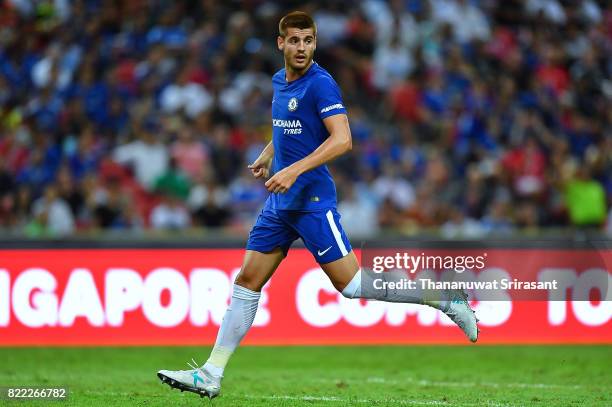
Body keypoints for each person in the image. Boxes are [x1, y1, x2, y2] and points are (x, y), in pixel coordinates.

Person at [157, 11, 478, 399]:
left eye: (308, 41)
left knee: (353, 285)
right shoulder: (279, 81)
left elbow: (342, 140)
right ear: (281, 43)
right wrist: (268, 153)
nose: (302, 48)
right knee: (246, 282)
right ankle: (211, 373)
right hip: (280, 203)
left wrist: (292, 170)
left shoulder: (321, 84)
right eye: (294, 41)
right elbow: (289, 128)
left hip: (311, 202)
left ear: (315, 42)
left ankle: (441, 298)